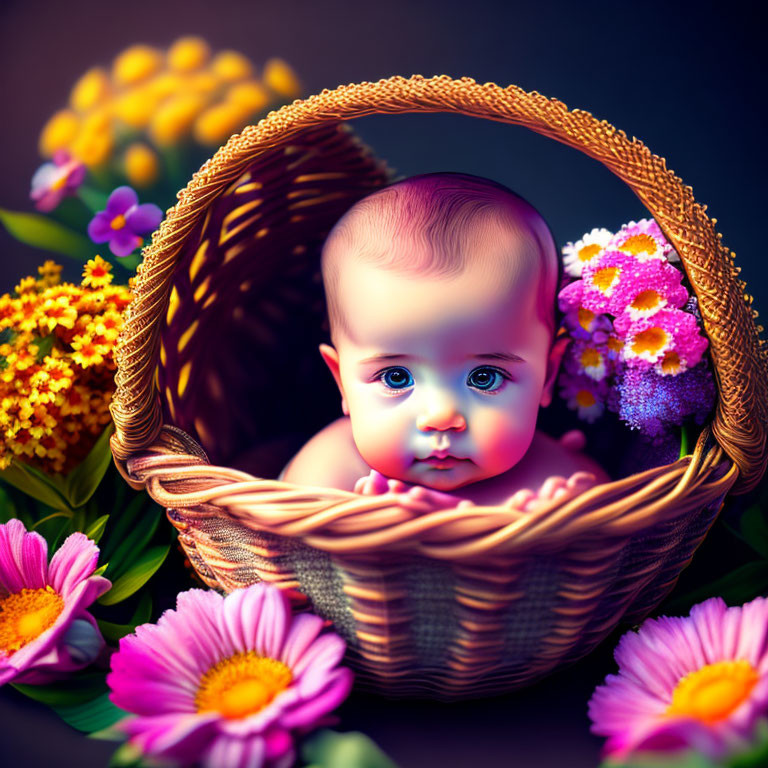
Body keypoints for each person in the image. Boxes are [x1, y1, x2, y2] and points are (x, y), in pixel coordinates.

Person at [281, 173, 608, 510]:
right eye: (396, 376)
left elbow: (617, 539)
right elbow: (277, 540)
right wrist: (352, 533)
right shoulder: (330, 473)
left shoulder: (553, 481)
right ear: (342, 382)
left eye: (485, 377)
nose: (440, 415)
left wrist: (564, 527)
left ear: (547, 376)